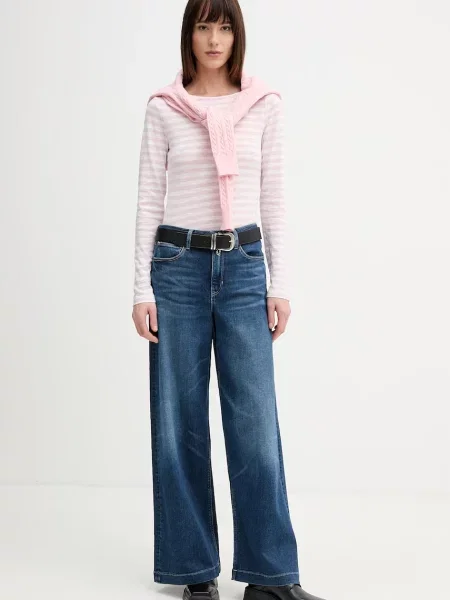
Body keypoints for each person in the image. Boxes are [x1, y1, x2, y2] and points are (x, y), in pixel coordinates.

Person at [132, 2, 327, 600]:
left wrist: (280, 283)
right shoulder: (164, 108)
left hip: (244, 268)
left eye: (224, 26)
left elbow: (274, 197)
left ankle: (270, 577)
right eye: (203, 25)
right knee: (179, 424)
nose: (214, 38)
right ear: (188, 34)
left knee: (255, 423)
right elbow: (148, 199)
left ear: (237, 35)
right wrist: (140, 287)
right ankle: (194, 571)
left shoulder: (264, 105)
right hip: (177, 268)